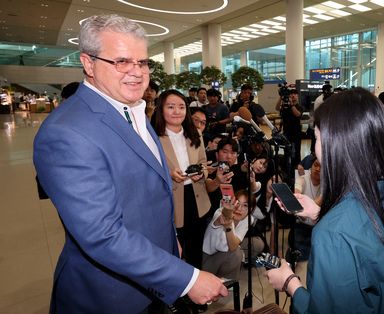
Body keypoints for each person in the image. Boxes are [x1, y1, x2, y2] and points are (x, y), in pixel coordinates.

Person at [33, 15, 227, 312]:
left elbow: (150, 191)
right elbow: (102, 235)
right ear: (88, 63)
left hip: (151, 282)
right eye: (122, 61)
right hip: (110, 296)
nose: (137, 73)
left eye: (143, 62)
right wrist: (187, 279)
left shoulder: (132, 108)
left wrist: (169, 239)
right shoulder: (66, 132)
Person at [265, 87, 384, 313]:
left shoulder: (332, 233)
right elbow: (371, 244)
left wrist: (290, 283)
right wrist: (320, 216)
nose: (315, 149)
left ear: (335, 143)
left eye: (316, 138)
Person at [153, 89, 212, 270]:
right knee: (175, 250)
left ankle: (197, 290)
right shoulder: (154, 137)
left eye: (181, 107)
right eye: (171, 107)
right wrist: (169, 174)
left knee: (195, 248)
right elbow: (149, 171)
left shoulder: (195, 133)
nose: (177, 111)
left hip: (196, 197)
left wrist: (201, 173)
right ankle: (179, 292)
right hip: (171, 199)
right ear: (161, 109)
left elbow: (203, 162)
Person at [202, 190, 254, 280]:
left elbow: (233, 245)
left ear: (251, 209)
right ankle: (217, 278)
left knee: (243, 249)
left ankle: (226, 279)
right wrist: (227, 214)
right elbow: (222, 218)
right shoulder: (220, 212)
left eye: (245, 205)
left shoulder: (248, 219)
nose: (239, 208)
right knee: (237, 253)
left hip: (223, 255)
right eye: (237, 203)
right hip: (206, 258)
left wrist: (228, 226)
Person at [276, 88, 303, 169]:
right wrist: (281, 97)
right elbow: (277, 108)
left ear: (297, 96)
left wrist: (291, 105)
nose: (293, 96)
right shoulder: (285, 106)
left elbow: (297, 114)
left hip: (296, 134)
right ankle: (287, 168)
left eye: (295, 94)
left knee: (296, 152)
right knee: (286, 152)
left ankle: (296, 168)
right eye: (291, 94)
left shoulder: (299, 106)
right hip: (286, 133)